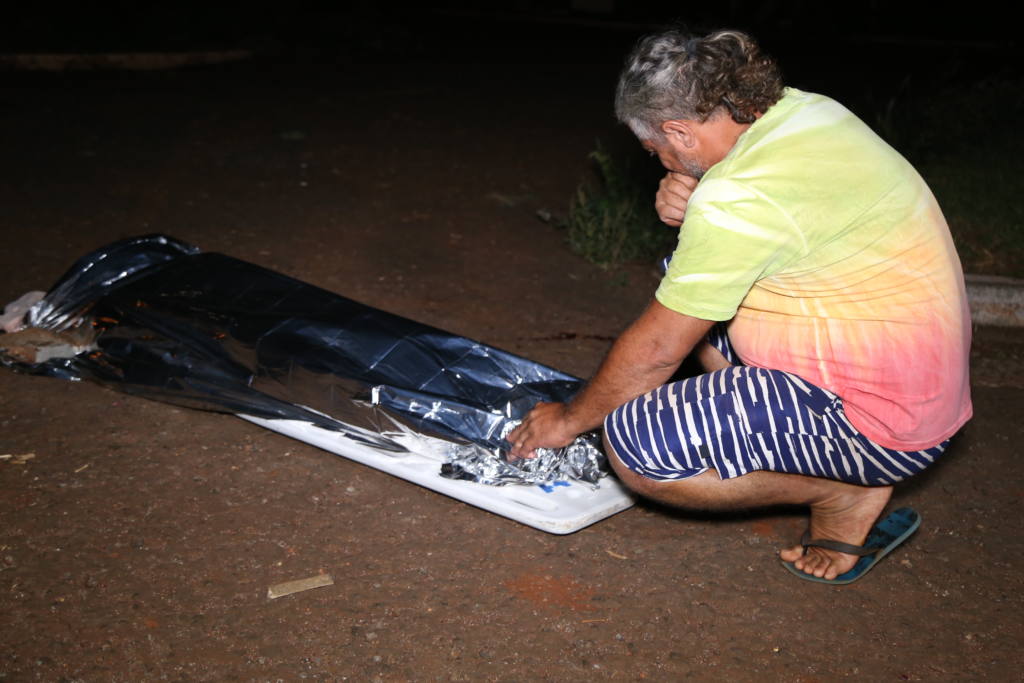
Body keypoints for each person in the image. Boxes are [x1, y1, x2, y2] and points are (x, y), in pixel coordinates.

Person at [507, 28, 972, 583]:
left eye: (656, 150)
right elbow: (784, 215)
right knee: (683, 279)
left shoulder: (738, 198)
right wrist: (695, 193)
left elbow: (657, 352)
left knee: (634, 444)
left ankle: (844, 489)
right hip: (926, 387)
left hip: (882, 422)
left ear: (680, 130)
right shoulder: (807, 112)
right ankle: (804, 441)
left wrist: (569, 419)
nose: (659, 163)